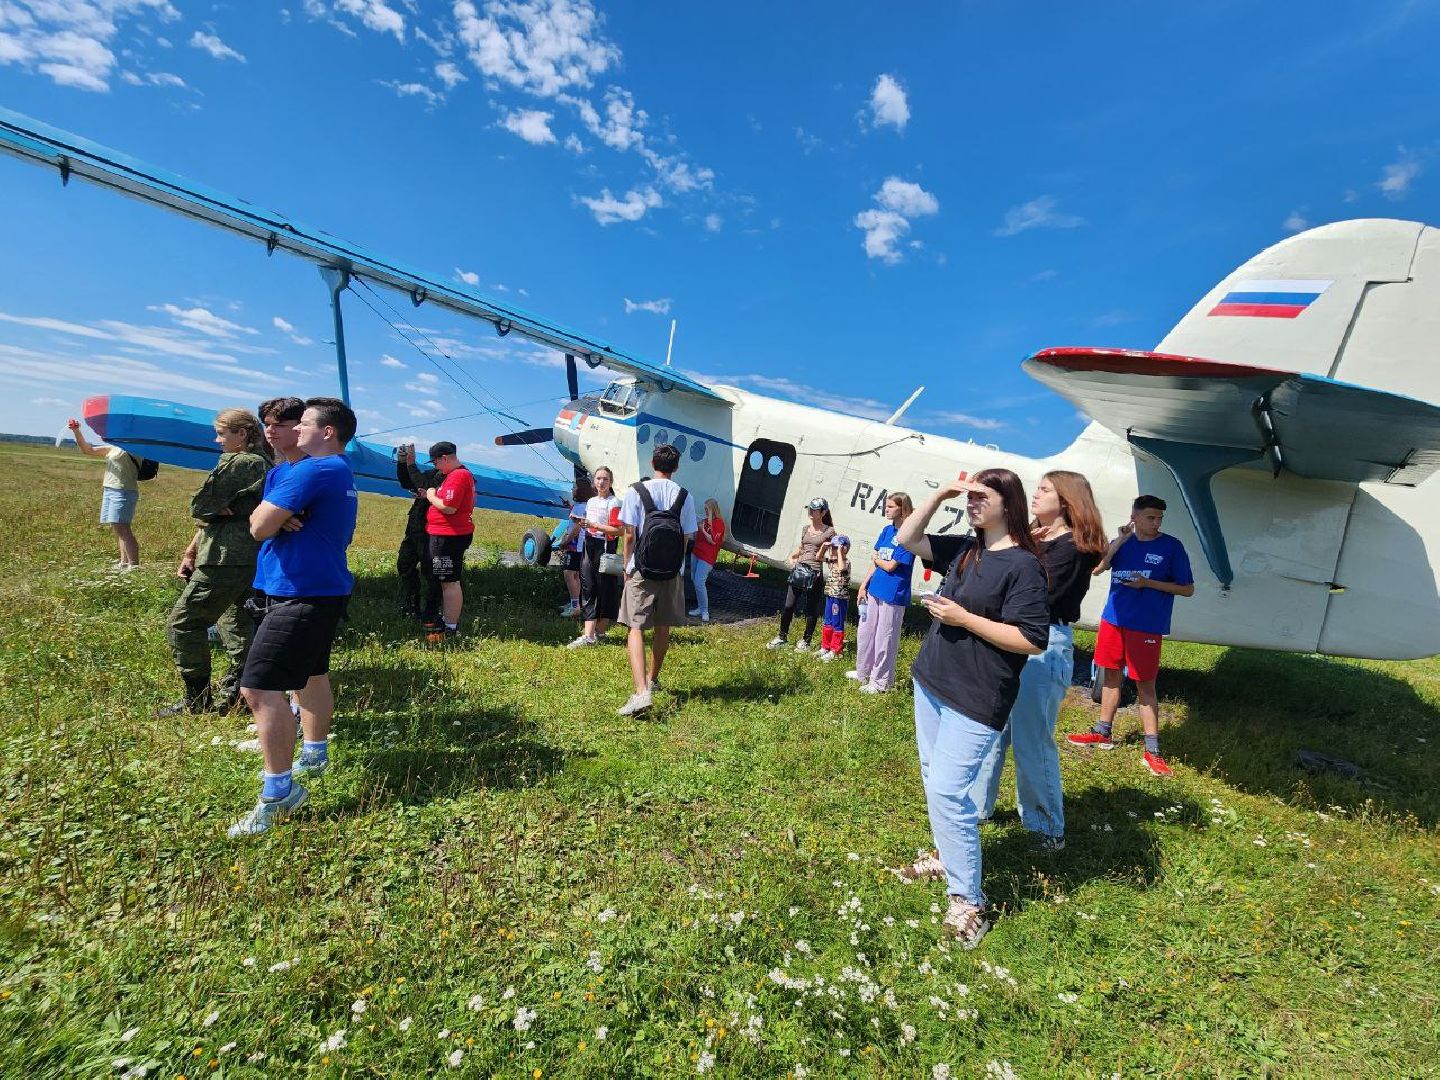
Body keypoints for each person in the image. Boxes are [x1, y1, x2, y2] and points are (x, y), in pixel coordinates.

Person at [892, 468, 1049, 947]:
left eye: (982, 496)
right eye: (970, 496)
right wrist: (940, 493)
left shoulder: (1024, 566)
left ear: (1009, 503)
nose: (972, 502)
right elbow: (906, 539)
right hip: (933, 680)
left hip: (978, 695)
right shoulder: (966, 549)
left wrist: (964, 618)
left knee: (947, 790)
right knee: (932, 778)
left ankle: (969, 902)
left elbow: (1031, 639)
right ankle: (945, 856)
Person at [229, 397, 359, 837]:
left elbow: (257, 526)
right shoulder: (336, 470)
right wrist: (277, 516)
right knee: (312, 674)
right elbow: (268, 518)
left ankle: (279, 793)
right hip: (317, 589)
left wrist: (273, 517)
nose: (295, 428)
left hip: (300, 592)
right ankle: (314, 754)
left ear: (327, 432)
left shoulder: (314, 470)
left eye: (303, 423)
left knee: (259, 688)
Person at [972, 471, 1106, 849]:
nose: (1035, 494)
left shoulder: (1073, 547)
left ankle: (1046, 828)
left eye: (1045, 489)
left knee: (1031, 739)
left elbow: (1038, 594)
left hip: (1043, 643)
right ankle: (977, 808)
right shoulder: (1034, 536)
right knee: (992, 730)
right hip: (1010, 635)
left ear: (1066, 500)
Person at [1067, 494, 1194, 777]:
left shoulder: (1171, 546)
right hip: (1113, 620)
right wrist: (1118, 543)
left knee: (1145, 685)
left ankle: (1153, 751)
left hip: (1146, 625)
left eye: (1159, 518)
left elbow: (1187, 589)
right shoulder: (1123, 542)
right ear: (1134, 517)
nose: (1156, 523)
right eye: (1150, 517)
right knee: (1111, 674)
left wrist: (1147, 583)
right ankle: (1103, 732)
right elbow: (1097, 570)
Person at [157, 408, 271, 717]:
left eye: (221, 433)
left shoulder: (242, 462)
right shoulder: (264, 462)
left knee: (184, 623)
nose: (217, 440)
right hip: (249, 556)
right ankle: (239, 693)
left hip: (225, 557)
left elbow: (200, 504)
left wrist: (215, 508)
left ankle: (197, 699)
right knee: (238, 625)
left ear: (242, 434)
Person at [616, 444, 697, 716]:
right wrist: (677, 567)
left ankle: (641, 692)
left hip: (642, 569)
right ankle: (652, 678)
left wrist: (627, 566)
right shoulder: (685, 496)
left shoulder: (636, 491)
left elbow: (629, 535)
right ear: (677, 467)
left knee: (635, 627)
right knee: (663, 626)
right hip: (672, 571)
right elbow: (685, 538)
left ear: (652, 463)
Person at [850, 492, 916, 694]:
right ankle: (863, 672)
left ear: (902, 509)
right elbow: (876, 563)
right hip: (875, 588)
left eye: (891, 506)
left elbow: (890, 566)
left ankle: (880, 683)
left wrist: (877, 560)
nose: (886, 509)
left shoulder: (908, 536)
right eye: (886, 506)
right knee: (866, 632)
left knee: (885, 638)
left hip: (893, 594)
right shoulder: (887, 530)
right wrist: (864, 585)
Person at [67, 416, 143, 569]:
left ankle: (134, 566)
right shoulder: (113, 448)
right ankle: (124, 563)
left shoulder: (135, 448)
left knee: (123, 528)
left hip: (123, 491)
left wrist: (109, 434)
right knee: (118, 528)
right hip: (110, 490)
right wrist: (76, 431)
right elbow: (87, 450)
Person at [766, 499, 836, 651]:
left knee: (811, 609)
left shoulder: (830, 532)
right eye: (810, 509)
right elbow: (802, 548)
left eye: (814, 509)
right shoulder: (805, 529)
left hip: (815, 573)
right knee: (788, 605)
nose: (810, 511)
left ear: (823, 512)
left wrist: (822, 556)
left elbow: (834, 556)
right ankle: (782, 637)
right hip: (799, 570)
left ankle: (806, 641)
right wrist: (793, 557)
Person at [423, 441, 475, 643]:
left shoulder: (458, 476)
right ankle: (446, 621)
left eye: (436, 462)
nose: (436, 466)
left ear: (444, 458)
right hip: (445, 535)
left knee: (449, 582)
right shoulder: (456, 476)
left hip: (448, 537)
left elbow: (449, 507)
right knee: (446, 580)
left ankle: (450, 628)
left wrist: (430, 496)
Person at [568, 466, 623, 648]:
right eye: (598, 478)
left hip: (605, 548)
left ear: (611, 482)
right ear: (594, 481)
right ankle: (589, 634)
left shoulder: (614, 502)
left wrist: (595, 525)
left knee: (605, 588)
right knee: (588, 587)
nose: (601, 482)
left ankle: (597, 631)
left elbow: (618, 530)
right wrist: (581, 522)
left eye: (605, 479)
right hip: (589, 545)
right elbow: (589, 524)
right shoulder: (591, 502)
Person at [395, 443, 443, 625]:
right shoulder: (433, 473)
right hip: (415, 528)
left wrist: (411, 463)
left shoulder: (451, 477)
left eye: (436, 460)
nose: (434, 464)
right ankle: (412, 604)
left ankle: (431, 611)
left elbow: (424, 485)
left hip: (432, 532)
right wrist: (402, 463)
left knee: (431, 572)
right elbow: (408, 482)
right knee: (404, 564)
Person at [559, 476, 595, 617]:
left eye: (574, 487)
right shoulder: (583, 506)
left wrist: (565, 542)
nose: (572, 489)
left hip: (574, 546)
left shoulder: (580, 507)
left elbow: (576, 528)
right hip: (581, 546)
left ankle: (575, 607)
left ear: (580, 490)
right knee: (576, 576)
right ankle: (576, 604)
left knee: (569, 575)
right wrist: (570, 507)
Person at [688, 498, 726, 622]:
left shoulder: (718, 523)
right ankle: (700, 608)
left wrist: (703, 530)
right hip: (696, 553)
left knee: (699, 582)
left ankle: (705, 610)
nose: (705, 511)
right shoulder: (704, 521)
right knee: (694, 579)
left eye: (707, 509)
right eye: (705, 509)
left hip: (707, 557)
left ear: (712, 510)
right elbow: (696, 537)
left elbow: (713, 541)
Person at [818, 535, 853, 661]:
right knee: (828, 621)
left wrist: (839, 552)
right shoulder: (832, 561)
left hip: (840, 598)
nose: (832, 550)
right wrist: (823, 547)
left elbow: (842, 568)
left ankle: (835, 650)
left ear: (844, 549)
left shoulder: (846, 562)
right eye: (832, 547)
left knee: (837, 622)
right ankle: (825, 646)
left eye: (835, 547)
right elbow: (819, 557)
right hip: (830, 595)